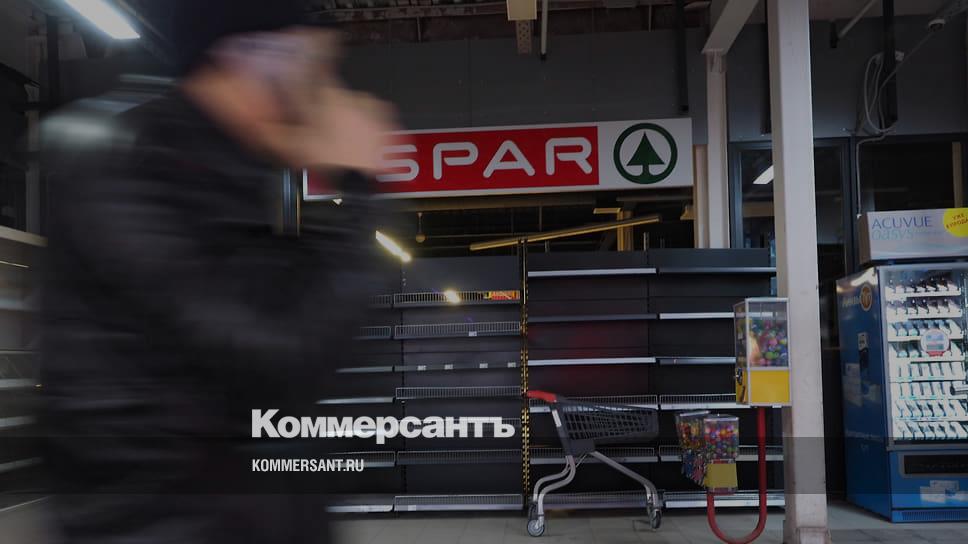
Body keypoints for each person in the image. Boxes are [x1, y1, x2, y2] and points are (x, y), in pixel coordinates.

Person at [41, 2, 395, 542]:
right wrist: (359, 190)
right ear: (250, 55)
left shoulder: (231, 178)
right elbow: (278, 362)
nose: (329, 91)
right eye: (315, 65)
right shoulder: (127, 169)